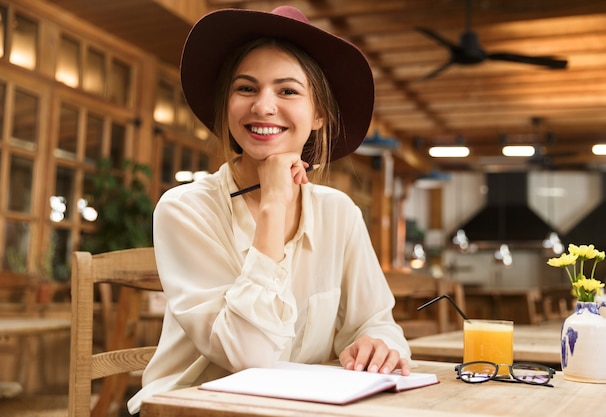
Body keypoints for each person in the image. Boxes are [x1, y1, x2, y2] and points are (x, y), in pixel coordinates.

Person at [128, 5, 410, 414]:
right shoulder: (185, 209)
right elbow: (250, 354)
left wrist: (377, 345)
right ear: (227, 106)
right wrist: (274, 204)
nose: (263, 106)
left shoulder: (340, 213)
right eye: (246, 88)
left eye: (287, 91)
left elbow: (376, 321)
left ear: (318, 115)